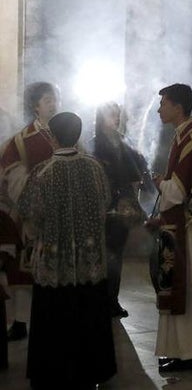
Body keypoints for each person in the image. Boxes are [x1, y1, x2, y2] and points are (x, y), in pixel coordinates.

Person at [18, 112, 116, 388]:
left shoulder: (43, 171)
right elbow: (105, 204)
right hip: (90, 261)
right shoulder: (95, 168)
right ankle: (93, 371)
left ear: (52, 136)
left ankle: (53, 372)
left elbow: (31, 215)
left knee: (54, 320)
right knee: (90, 314)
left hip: (55, 264)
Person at [150, 83, 192, 373]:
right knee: (182, 287)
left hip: (186, 228)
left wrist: (158, 184)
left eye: (163, 103)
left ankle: (190, 351)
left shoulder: (191, 138)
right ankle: (182, 349)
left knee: (186, 288)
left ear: (178, 107)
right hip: (180, 226)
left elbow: (177, 192)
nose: (159, 108)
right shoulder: (185, 135)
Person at [0, 81, 60, 342]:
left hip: (61, 217)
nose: (54, 104)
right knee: (24, 269)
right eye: (48, 100)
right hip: (32, 217)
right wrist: (37, 202)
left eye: (55, 99)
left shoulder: (67, 134)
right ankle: (22, 321)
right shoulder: (21, 141)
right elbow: (14, 178)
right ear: (35, 106)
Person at [92, 101, 147, 318]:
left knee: (117, 255)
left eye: (117, 114)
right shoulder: (94, 145)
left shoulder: (125, 145)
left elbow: (136, 174)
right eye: (110, 114)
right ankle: (100, 300)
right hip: (102, 209)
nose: (115, 119)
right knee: (104, 256)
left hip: (122, 210)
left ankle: (112, 298)